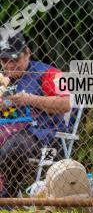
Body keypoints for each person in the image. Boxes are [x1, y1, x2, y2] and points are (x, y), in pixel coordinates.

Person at [0, 32, 71, 198]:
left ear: (27, 53)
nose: (9, 65)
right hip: (8, 130)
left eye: (15, 59)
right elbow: (9, 104)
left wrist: (30, 99)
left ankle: (7, 198)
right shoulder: (3, 79)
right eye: (4, 60)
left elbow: (65, 104)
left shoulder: (49, 73)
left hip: (41, 134)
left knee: (13, 148)